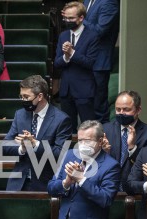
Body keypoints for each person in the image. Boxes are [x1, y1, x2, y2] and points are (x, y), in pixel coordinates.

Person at [47, 120, 120, 219]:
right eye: (80, 140)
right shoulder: (69, 155)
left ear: (100, 141)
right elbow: (51, 187)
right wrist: (66, 183)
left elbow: (106, 199)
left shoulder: (111, 165)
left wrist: (81, 179)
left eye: (87, 141)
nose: (82, 145)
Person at [3, 74, 72, 191]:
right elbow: (4, 146)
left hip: (45, 183)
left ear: (40, 96)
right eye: (21, 97)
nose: (23, 100)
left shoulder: (61, 119)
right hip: (18, 182)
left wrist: (35, 144)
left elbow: (62, 154)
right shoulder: (20, 115)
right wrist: (22, 148)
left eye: (26, 97)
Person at [54, 1, 99, 133]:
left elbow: (90, 63)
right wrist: (66, 57)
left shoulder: (92, 36)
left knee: (89, 129)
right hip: (66, 90)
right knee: (67, 129)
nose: (68, 21)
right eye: (66, 18)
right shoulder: (63, 35)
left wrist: (72, 53)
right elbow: (57, 63)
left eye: (71, 18)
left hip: (84, 90)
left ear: (81, 18)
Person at [102, 91, 147, 189]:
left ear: (138, 110)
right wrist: (104, 153)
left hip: (134, 189)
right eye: (118, 109)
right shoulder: (104, 130)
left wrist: (132, 148)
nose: (121, 113)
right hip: (108, 187)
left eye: (126, 109)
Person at [83, 0, 119, 124]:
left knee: (99, 104)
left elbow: (100, 31)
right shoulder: (87, 1)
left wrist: (79, 20)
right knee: (85, 102)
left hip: (99, 61)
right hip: (84, 59)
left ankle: (103, 137)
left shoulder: (110, 3)